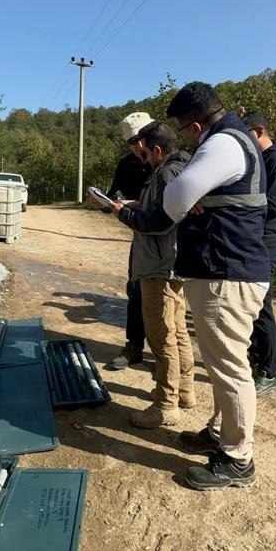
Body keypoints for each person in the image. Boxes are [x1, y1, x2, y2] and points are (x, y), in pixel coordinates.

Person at [163, 82, 270, 491]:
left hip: (228, 275)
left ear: (193, 125)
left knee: (229, 368)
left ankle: (238, 458)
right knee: (222, 364)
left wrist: (187, 195)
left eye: (183, 130)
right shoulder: (235, 141)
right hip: (227, 272)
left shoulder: (222, 144)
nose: (184, 140)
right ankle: (221, 432)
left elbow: (174, 200)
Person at [108, 121, 194, 428]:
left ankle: (165, 405)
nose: (141, 155)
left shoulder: (165, 173)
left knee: (161, 337)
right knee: (179, 331)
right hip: (173, 263)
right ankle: (185, 392)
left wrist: (123, 213)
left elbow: (158, 222)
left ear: (158, 149)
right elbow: (163, 210)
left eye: (145, 151)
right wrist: (135, 204)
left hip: (158, 266)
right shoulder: (183, 169)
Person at [242, 111, 276, 396]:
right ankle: (256, 358)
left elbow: (273, 206)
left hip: (267, 242)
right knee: (250, 305)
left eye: (247, 133)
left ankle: (269, 371)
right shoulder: (262, 160)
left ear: (259, 131)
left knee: (262, 305)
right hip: (254, 241)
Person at [104, 112, 153, 370]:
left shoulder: (170, 160)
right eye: (132, 141)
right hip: (141, 234)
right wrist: (103, 203)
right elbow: (114, 195)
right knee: (135, 288)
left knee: (170, 297)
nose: (138, 145)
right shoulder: (127, 164)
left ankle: (169, 358)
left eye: (141, 138)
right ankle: (134, 346)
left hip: (172, 239)